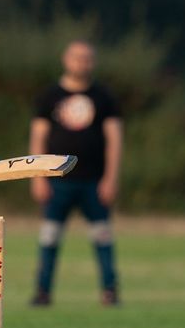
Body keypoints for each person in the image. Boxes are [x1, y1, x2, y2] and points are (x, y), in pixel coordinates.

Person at [28, 39, 123, 307]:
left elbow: (115, 140)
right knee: (49, 238)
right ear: (66, 60)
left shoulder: (103, 97)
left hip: (94, 181)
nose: (82, 63)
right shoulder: (50, 96)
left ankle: (110, 291)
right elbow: (38, 138)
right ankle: (43, 292)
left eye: (87, 58)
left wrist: (111, 178)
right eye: (77, 57)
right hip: (57, 182)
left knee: (103, 237)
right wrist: (37, 177)